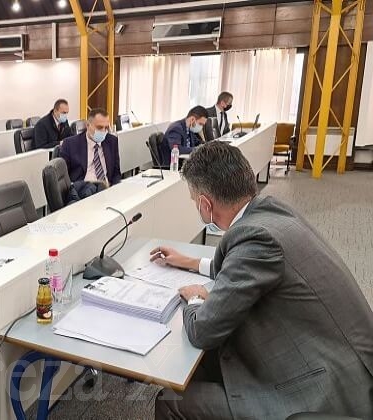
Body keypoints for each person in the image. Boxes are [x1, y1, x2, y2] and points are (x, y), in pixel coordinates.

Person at [152, 141, 373, 420]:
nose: (197, 206)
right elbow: (241, 268)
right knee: (208, 362)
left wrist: (196, 298)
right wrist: (188, 261)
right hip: (335, 357)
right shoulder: (269, 211)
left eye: (195, 201)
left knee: (171, 400)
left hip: (322, 392)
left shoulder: (256, 240)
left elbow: (202, 330)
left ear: (206, 204)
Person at [59, 108, 121, 187]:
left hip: (107, 188)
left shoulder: (112, 141)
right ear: (88, 125)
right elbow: (63, 179)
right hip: (83, 189)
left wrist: (115, 189)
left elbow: (116, 173)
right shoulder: (70, 144)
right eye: (99, 127)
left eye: (106, 128)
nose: (103, 131)